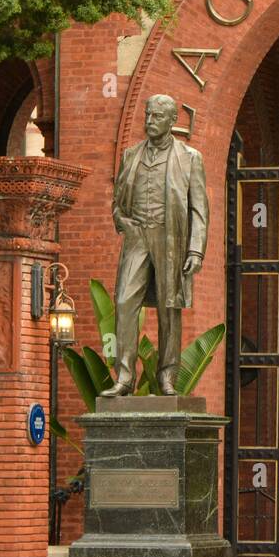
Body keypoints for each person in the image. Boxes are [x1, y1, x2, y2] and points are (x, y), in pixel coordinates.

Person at [105, 94, 209, 396]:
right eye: (148, 115)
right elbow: (118, 200)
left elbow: (199, 209)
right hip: (137, 236)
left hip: (170, 238)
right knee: (124, 302)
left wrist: (195, 250)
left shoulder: (190, 158)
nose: (150, 122)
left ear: (172, 121)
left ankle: (167, 377)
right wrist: (121, 221)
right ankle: (124, 378)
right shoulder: (131, 155)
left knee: (169, 308)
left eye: (157, 117)